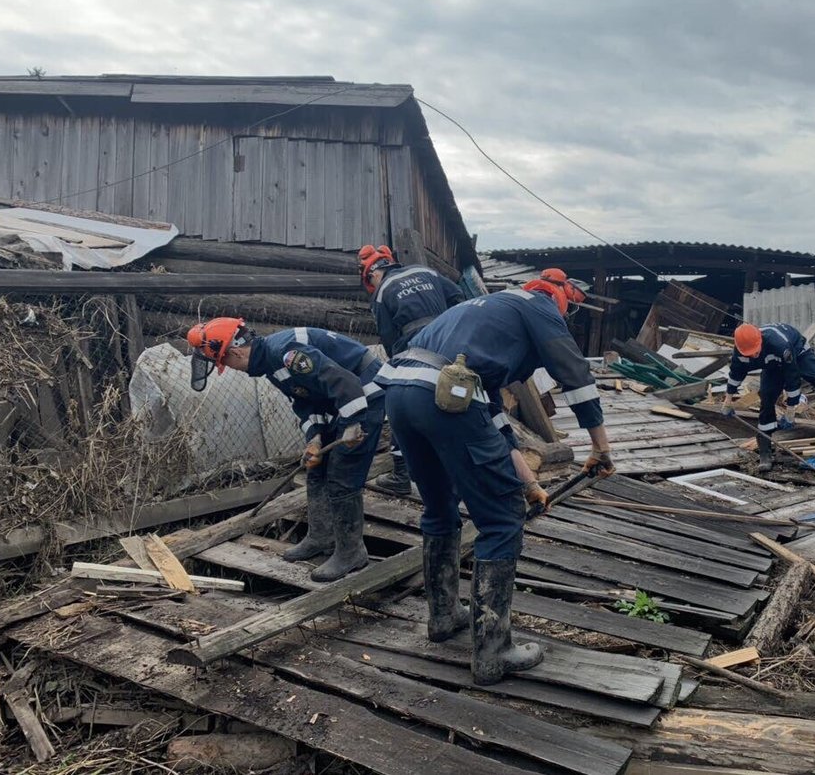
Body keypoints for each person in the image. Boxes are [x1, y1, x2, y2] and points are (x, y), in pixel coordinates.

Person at [374, 268, 614, 685]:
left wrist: (531, 485)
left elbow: (492, 421)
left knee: (439, 509)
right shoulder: (539, 307)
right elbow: (576, 376)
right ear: (559, 300)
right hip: (447, 395)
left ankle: (444, 617)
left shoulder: (479, 312)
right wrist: (601, 448)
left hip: (401, 390)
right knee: (502, 522)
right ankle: (492, 652)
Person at [187, 318, 384, 582]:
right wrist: (314, 438)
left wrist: (352, 425)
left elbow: (345, 384)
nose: (230, 369)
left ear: (235, 352)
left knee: (342, 474)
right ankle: (321, 536)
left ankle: (352, 553)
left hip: (364, 394)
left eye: (226, 363)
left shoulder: (287, 355)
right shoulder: (269, 364)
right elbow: (306, 400)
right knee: (317, 469)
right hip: (338, 400)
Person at [358, 243, 465, 496]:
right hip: (449, 343)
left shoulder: (382, 293)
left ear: (372, 274)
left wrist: (398, 364)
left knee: (400, 404)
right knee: (458, 400)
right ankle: (461, 475)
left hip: (414, 349)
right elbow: (458, 296)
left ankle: (401, 475)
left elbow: (387, 336)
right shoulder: (426, 271)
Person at [722, 322, 815, 471]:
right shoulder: (740, 352)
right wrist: (727, 401)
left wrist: (791, 410)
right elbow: (735, 375)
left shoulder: (779, 343)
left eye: (755, 351)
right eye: (749, 353)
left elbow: (792, 376)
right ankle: (765, 454)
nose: (753, 355)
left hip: (798, 354)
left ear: (760, 340)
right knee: (767, 397)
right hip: (771, 366)